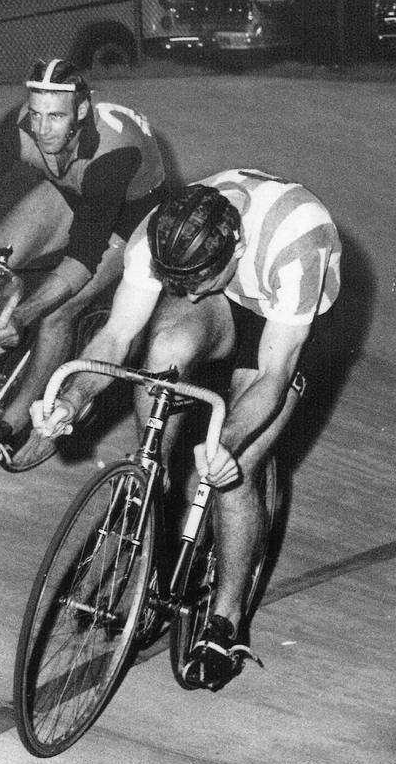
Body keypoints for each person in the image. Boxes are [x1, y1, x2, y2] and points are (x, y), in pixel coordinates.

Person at [32, 168, 341, 690]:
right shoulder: (163, 235)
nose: (189, 296)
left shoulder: (297, 244)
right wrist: (71, 398)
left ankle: (226, 621)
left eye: (196, 282)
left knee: (231, 470)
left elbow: (272, 374)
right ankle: (155, 482)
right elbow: (116, 335)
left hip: (284, 320)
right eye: (179, 283)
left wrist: (226, 443)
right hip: (230, 289)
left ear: (235, 247)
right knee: (163, 350)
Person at [0, 57, 167, 470]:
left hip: (129, 214)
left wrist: (26, 314)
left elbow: (81, 259)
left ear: (81, 110)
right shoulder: (20, 125)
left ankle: (14, 419)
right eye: (36, 115)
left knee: (57, 312)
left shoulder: (113, 153)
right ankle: (11, 341)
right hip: (71, 188)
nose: (42, 130)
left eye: (55, 117)